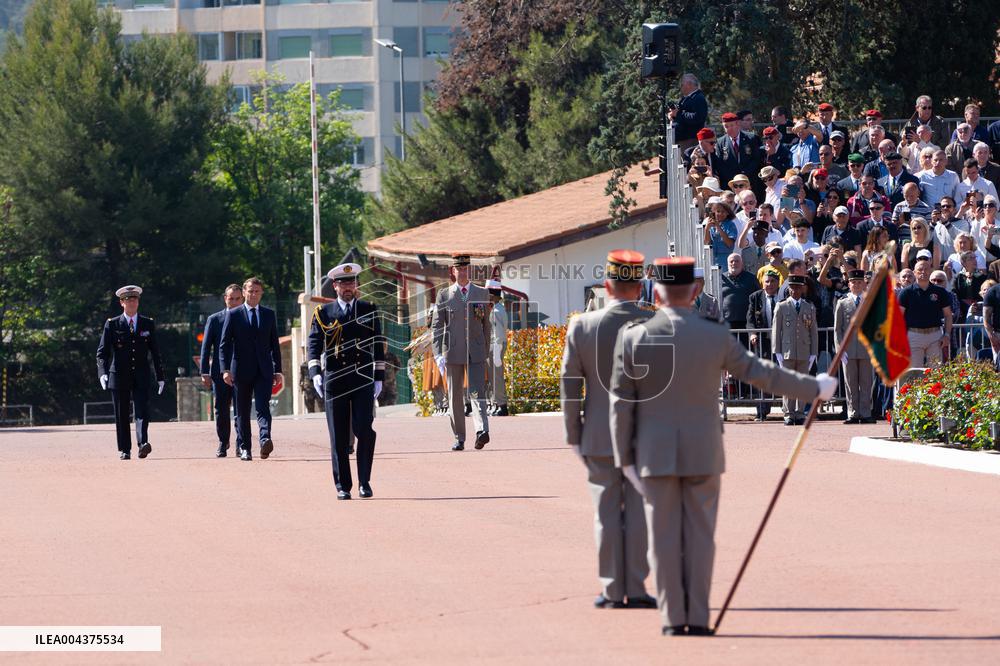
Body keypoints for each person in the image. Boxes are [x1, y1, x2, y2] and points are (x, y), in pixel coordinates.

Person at [609, 256, 835, 636]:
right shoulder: (714, 335)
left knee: (662, 538)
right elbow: (763, 374)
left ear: (657, 294)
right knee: (700, 537)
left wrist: (624, 459)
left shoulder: (634, 337)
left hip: (653, 454)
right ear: (695, 292)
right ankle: (696, 616)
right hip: (702, 452)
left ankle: (671, 617)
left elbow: (621, 404)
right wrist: (814, 388)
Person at [560, 250, 656, 611]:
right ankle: (637, 585)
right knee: (638, 511)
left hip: (598, 433)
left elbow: (570, 384)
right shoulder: (656, 321)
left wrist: (573, 434)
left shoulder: (582, 325)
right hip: (644, 433)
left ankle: (613, 589)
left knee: (605, 512)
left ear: (607, 284)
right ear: (638, 285)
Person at [307, 263, 384, 500]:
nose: (348, 288)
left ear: (356, 285)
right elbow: (313, 345)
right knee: (339, 436)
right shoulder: (323, 313)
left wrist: (378, 376)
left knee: (364, 430)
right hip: (335, 380)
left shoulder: (368, 309)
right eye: (343, 284)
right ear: (335, 286)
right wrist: (315, 372)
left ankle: (364, 482)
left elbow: (378, 345)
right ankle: (343, 485)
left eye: (352, 283)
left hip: (362, 379)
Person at [96, 285, 165, 460]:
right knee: (122, 413)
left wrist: (160, 376)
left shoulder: (147, 323)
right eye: (128, 299)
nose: (132, 302)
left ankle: (143, 444)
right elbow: (102, 352)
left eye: (134, 299)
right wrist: (102, 372)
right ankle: (125, 449)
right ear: (122, 302)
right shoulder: (112, 324)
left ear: (138, 301)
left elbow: (155, 352)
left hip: (141, 374)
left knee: (142, 410)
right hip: (118, 375)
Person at [431, 254, 491, 451]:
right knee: (455, 396)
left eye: (466, 268)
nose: (463, 272)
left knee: (477, 391)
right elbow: (437, 326)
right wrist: (438, 352)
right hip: (453, 352)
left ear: (469, 270)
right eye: (459, 269)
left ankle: (482, 431)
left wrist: (486, 349)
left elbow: (485, 324)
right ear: (453, 271)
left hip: (476, 351)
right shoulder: (445, 295)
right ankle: (460, 437)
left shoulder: (481, 294)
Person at [220, 277, 283, 462]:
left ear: (261, 293)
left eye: (257, 291)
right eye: (250, 291)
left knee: (263, 407)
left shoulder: (268, 315)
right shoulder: (234, 314)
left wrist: (278, 370)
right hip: (240, 370)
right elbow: (223, 345)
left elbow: (274, 344)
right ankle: (245, 447)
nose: (253, 294)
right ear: (244, 293)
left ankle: (265, 440)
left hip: (264, 370)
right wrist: (225, 370)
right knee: (243, 411)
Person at [199, 283, 245, 458]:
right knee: (221, 408)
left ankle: (241, 443)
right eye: (230, 298)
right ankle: (223, 441)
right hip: (220, 372)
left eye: (237, 299)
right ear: (225, 299)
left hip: (241, 370)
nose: (233, 302)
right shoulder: (215, 319)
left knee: (241, 408)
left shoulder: (246, 318)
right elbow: (206, 347)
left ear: (242, 299)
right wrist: (205, 372)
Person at [772, 275, 819, 425]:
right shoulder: (782, 306)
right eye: (792, 287)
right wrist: (777, 351)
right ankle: (788, 413)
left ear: (803, 289)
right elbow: (776, 330)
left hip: (804, 350)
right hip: (787, 350)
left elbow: (813, 331)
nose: (795, 290)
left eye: (798, 287)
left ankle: (799, 413)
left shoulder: (809, 306)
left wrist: (814, 352)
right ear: (788, 289)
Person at [835, 270, 875, 423]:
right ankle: (852, 412)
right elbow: (837, 328)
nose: (856, 285)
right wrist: (840, 349)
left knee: (866, 382)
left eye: (859, 282)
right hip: (849, 348)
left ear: (864, 284)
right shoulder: (842, 302)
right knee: (850, 382)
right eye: (853, 282)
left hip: (865, 347)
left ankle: (865, 412)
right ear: (849, 284)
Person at [898, 258, 953, 368]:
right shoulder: (906, 292)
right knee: (914, 372)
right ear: (914, 272)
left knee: (935, 372)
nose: (923, 272)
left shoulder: (940, 292)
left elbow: (948, 315)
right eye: (920, 269)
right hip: (913, 335)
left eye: (926, 269)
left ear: (931, 270)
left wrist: (946, 335)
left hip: (935, 335)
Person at [746, 270, 783, 421]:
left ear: (778, 283)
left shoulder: (783, 296)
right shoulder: (755, 297)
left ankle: (787, 409)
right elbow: (750, 320)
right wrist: (752, 333)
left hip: (781, 342)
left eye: (773, 281)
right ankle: (762, 411)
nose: (769, 284)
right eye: (767, 281)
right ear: (762, 282)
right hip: (763, 342)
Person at [486, 279, 509, 416]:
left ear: (493, 295)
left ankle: (502, 405)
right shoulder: (497, 308)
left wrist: (496, 350)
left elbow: (499, 332)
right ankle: (497, 403)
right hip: (495, 344)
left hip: (497, 345)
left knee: (497, 376)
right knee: (493, 376)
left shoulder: (495, 311)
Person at [669, 73, 708, 152]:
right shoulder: (687, 98)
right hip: (683, 139)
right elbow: (682, 114)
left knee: (686, 163)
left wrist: (678, 114)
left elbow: (698, 117)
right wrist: (673, 115)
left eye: (682, 85)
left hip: (689, 140)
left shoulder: (698, 98)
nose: (681, 87)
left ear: (689, 84)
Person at [720, 253, 757, 330]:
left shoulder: (751, 278)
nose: (734, 263)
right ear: (727, 264)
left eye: (737, 261)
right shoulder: (721, 278)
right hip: (727, 322)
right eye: (731, 261)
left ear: (742, 263)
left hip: (746, 321)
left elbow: (758, 297)